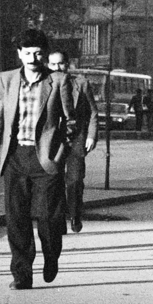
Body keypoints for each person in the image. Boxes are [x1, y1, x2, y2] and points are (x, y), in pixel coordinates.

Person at [0, 28, 74, 289]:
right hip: (15, 157)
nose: (32, 57)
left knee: (49, 217)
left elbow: (71, 121)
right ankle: (22, 274)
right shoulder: (6, 80)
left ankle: (51, 254)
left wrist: (60, 153)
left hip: (44, 159)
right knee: (16, 218)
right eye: (27, 52)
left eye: (37, 52)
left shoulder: (57, 81)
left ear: (44, 55)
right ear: (19, 54)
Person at [47, 50, 97, 233]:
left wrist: (91, 136)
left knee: (74, 180)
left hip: (76, 138)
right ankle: (59, 220)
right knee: (54, 180)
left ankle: (75, 214)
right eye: (52, 64)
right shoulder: (45, 83)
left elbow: (92, 112)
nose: (57, 68)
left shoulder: (80, 83)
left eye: (60, 64)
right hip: (53, 139)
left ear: (68, 65)